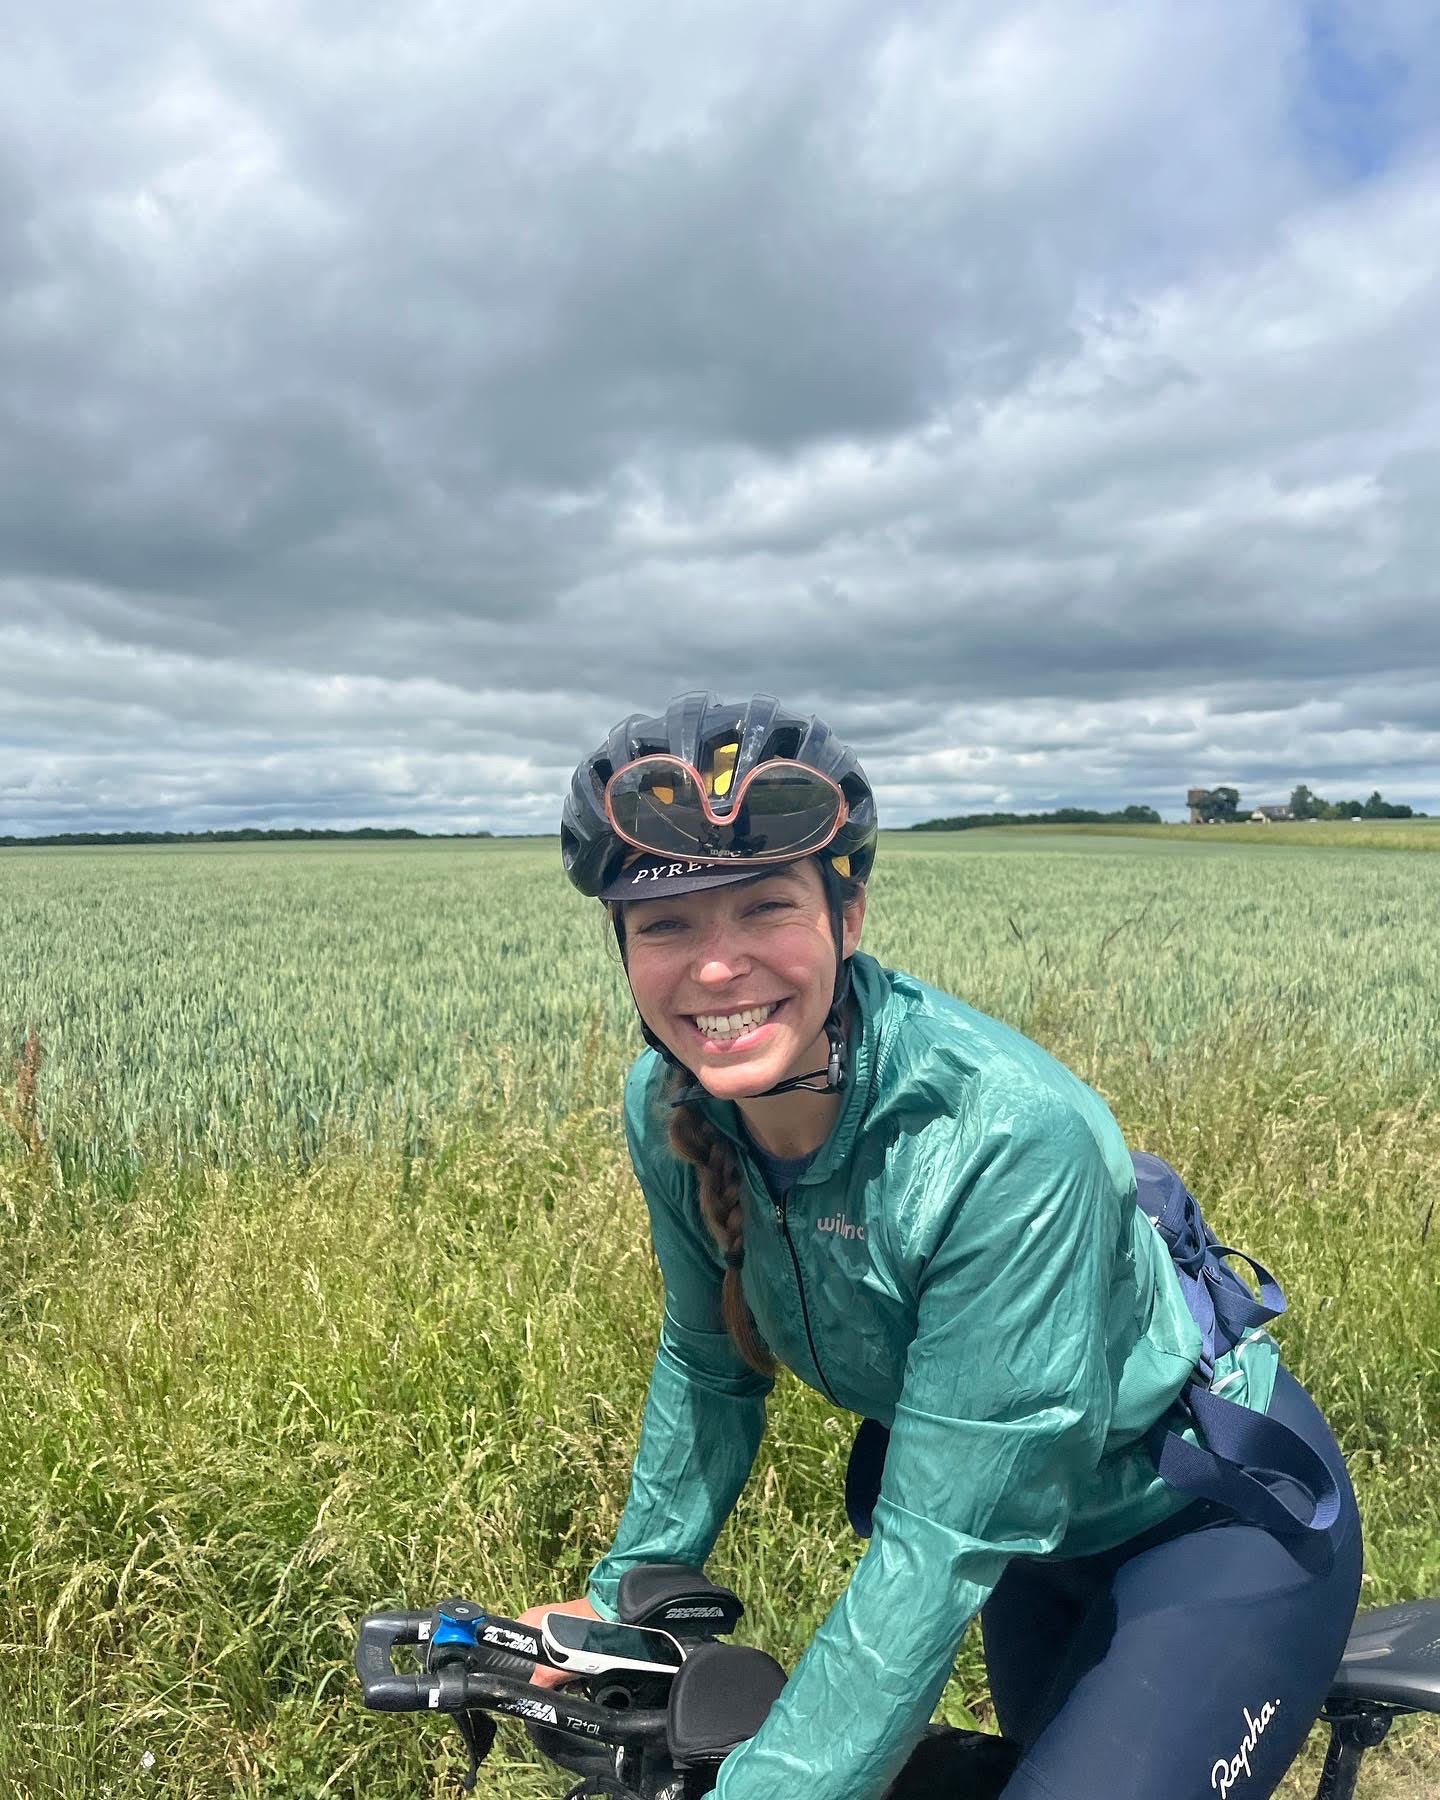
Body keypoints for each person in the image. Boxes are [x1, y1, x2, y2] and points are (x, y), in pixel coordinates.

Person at [521, 691, 1363, 1800]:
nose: (716, 970)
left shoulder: (1005, 1139)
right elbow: (706, 1362)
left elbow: (938, 1542)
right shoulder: (668, 1104)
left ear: (847, 918)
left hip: (1209, 1530)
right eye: (667, 924)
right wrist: (621, 1590)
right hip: (1033, 1544)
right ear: (623, 948)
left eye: (763, 908)